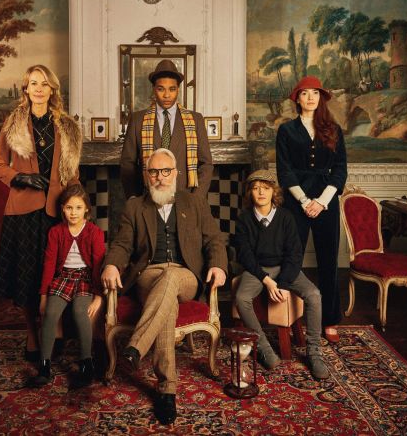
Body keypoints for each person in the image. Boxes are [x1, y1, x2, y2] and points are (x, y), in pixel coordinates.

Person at [101, 148, 227, 425]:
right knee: (166, 304)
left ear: (176, 173)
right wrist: (111, 265)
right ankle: (167, 390)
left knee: (171, 278)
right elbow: (122, 245)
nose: (160, 177)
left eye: (166, 171)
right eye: (154, 172)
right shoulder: (135, 206)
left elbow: (215, 240)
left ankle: (136, 346)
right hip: (148, 274)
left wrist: (218, 265)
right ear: (146, 175)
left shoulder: (194, 202)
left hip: (185, 275)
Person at [0, 64, 83, 378]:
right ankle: (32, 334)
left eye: (45, 83)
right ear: (26, 89)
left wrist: (77, 206)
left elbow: (73, 174)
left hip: (56, 211)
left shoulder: (67, 127)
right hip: (23, 213)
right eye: (34, 83)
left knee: (57, 274)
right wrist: (21, 177)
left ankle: (55, 329)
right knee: (27, 277)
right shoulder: (13, 123)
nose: (39, 89)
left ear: (52, 89)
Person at [233, 169, 329, 380]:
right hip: (257, 270)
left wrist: (283, 284)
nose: (261, 193)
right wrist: (266, 280)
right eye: (256, 188)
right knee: (241, 297)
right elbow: (245, 255)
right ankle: (264, 348)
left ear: (273, 192)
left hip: (285, 268)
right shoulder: (244, 219)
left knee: (314, 294)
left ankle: (314, 351)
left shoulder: (286, 217)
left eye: (265, 188)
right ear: (250, 193)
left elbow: (294, 254)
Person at [276, 76, 347, 344]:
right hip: (296, 201)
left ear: (321, 98)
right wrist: (305, 201)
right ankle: (289, 317)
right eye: (305, 93)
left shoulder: (334, 130)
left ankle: (329, 319)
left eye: (315, 93)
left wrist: (322, 201)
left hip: (327, 201)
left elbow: (340, 170)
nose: (310, 98)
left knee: (329, 261)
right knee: (291, 259)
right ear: (297, 98)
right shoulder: (286, 130)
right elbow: (285, 171)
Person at [29, 184, 105, 389]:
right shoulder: (56, 232)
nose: (73, 212)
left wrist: (98, 296)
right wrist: (43, 296)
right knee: (50, 313)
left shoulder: (95, 232)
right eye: (69, 207)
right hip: (63, 277)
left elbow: (98, 266)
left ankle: (86, 363)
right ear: (63, 209)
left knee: (81, 312)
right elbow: (49, 265)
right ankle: (44, 365)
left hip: (85, 278)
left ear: (86, 209)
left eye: (78, 208)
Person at [120, 59, 213, 200]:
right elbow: (127, 164)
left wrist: (197, 198)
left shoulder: (195, 120)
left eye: (172, 89)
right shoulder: (138, 120)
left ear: (178, 89)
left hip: (186, 197)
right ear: (154, 89)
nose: (167, 95)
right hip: (149, 198)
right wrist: (134, 198)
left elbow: (206, 164)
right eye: (161, 89)